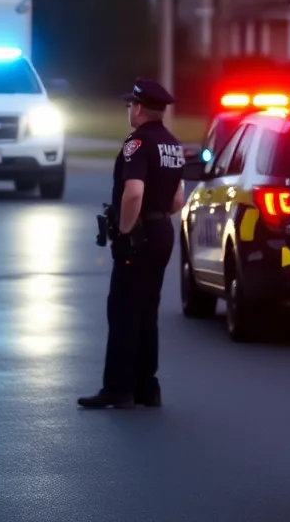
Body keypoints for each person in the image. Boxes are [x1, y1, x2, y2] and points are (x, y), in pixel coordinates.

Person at [79, 78, 186, 409]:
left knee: (123, 311)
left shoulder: (137, 144)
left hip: (138, 236)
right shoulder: (173, 144)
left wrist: (125, 232)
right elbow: (176, 200)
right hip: (162, 231)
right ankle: (146, 387)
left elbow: (134, 191)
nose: (129, 110)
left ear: (138, 108)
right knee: (147, 310)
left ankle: (118, 390)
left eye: (130, 105)